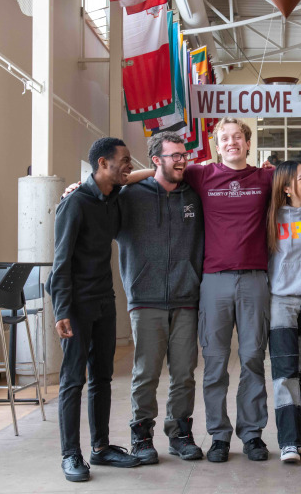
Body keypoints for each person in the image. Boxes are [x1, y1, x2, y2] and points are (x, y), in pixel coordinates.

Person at [125, 117, 274, 463]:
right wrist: (97, 182)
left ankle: (252, 434)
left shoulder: (266, 177)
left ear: (248, 143)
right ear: (216, 146)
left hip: (254, 279)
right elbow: (158, 171)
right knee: (215, 363)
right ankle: (218, 436)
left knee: (252, 358)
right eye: (225, 137)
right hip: (213, 281)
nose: (232, 142)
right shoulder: (201, 176)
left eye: (238, 136)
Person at [51, 137, 140, 482]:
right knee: (73, 379)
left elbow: (132, 178)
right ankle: (70, 454)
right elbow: (60, 261)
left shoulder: (110, 197)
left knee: (102, 377)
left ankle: (100, 448)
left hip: (104, 300)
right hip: (75, 304)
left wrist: (134, 170)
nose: (129, 166)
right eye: (124, 160)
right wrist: (61, 309)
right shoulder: (74, 203)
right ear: (103, 164)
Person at [116, 133, 205, 464]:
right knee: (146, 372)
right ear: (156, 160)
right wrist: (76, 188)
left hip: (186, 298)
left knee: (184, 372)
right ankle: (141, 437)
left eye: (184, 155)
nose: (182, 160)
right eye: (174, 156)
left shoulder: (194, 196)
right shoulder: (130, 196)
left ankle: (180, 433)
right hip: (146, 298)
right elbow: (100, 190)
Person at [266, 161, 301, 464]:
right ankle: (287, 441)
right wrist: (275, 172)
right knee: (285, 372)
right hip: (280, 300)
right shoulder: (272, 214)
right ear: (286, 188)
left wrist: (299, 170)